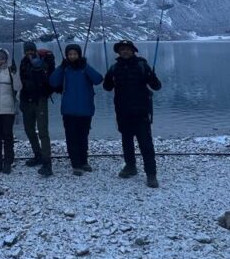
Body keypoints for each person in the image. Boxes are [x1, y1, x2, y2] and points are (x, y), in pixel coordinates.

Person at [103, 40, 163, 188]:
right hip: (122, 112)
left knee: (146, 144)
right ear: (119, 52)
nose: (125, 51)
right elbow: (107, 87)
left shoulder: (142, 65)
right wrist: (108, 78)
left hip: (141, 112)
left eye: (128, 49)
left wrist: (151, 75)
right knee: (127, 142)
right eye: (122, 49)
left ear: (133, 51)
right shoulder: (114, 68)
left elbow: (156, 86)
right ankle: (131, 167)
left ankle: (151, 175)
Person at [48, 43, 103, 175]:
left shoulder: (85, 68)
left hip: (85, 110)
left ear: (79, 55)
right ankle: (76, 164)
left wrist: (86, 66)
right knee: (71, 138)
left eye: (75, 54)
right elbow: (53, 82)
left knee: (83, 137)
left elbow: (98, 79)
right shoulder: (65, 69)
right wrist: (61, 67)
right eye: (70, 54)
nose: (72, 56)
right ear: (66, 56)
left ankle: (84, 161)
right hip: (69, 111)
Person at [18, 41, 56, 176]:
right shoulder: (23, 62)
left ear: (35, 50)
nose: (29, 53)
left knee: (43, 131)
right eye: (27, 51)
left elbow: (47, 78)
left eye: (31, 50)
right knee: (29, 129)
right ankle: (37, 154)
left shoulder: (42, 61)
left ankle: (47, 163)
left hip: (40, 100)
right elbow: (20, 80)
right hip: (26, 100)